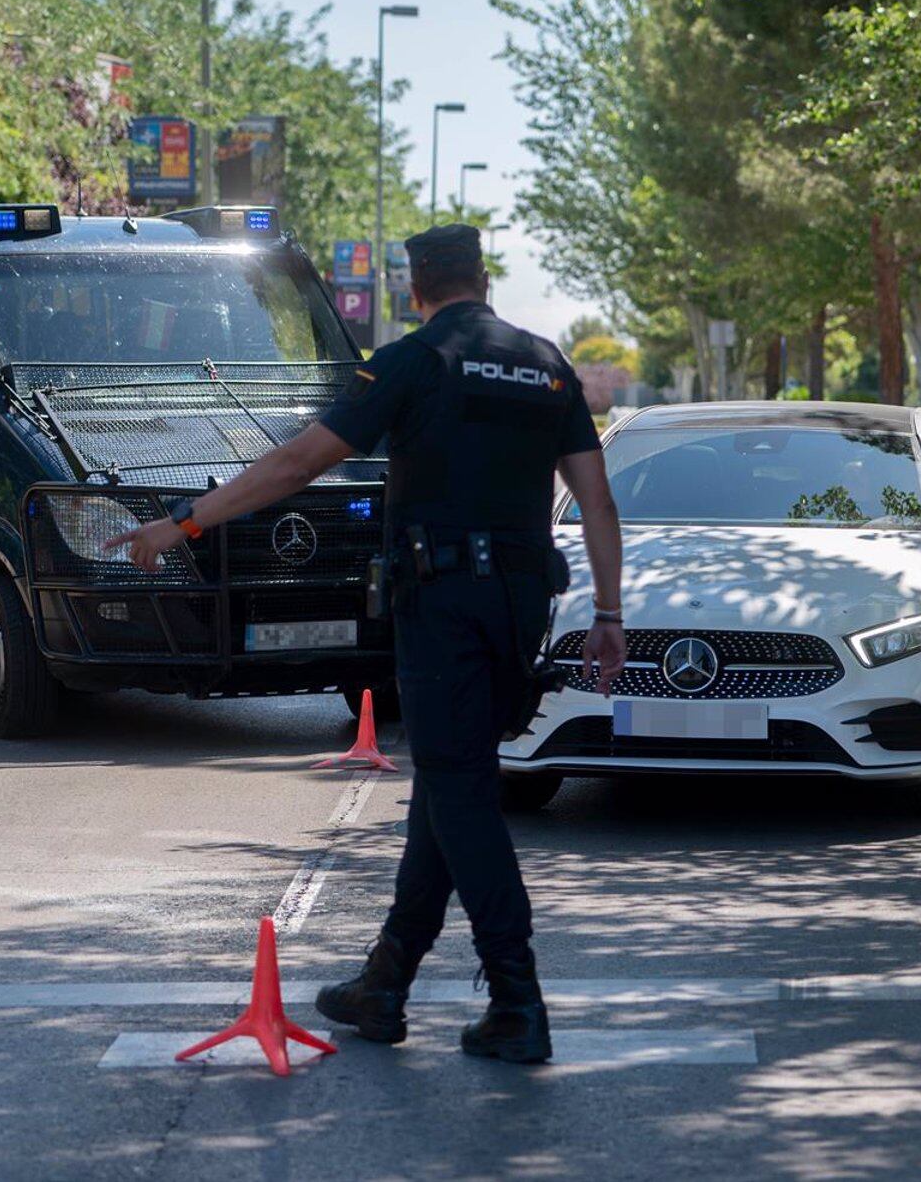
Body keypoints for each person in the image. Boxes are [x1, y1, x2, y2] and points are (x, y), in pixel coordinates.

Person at [105, 223, 627, 1064]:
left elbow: (298, 464)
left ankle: (517, 1001)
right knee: (448, 780)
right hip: (523, 605)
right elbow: (596, 502)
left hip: (443, 602)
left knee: (460, 792)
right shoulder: (546, 364)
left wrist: (183, 522)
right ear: (483, 280)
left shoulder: (414, 361)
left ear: (416, 286)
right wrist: (609, 614)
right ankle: (384, 985)